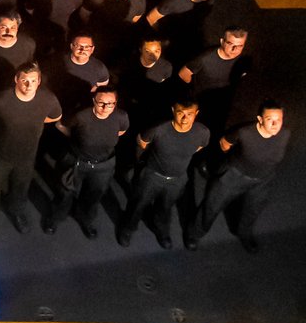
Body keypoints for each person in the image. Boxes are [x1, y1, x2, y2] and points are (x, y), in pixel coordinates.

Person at [0, 61, 61, 232]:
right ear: (16, 79)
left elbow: (55, 116)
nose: (28, 85)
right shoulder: (1, 99)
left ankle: (16, 211)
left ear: (39, 81)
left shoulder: (48, 99)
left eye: (33, 81)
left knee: (20, 188)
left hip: (26, 156)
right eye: (25, 80)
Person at [185, 101, 289, 252]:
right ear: (260, 119)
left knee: (252, 210)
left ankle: (244, 233)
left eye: (278, 120)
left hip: (262, 180)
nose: (275, 124)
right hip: (234, 176)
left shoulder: (285, 134)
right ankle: (194, 234)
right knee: (212, 205)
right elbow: (224, 144)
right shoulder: (244, 132)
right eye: (269, 119)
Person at [118, 100, 208, 249]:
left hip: (177, 179)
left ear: (196, 114)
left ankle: (162, 231)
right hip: (152, 176)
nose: (185, 119)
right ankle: (127, 230)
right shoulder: (158, 129)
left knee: (166, 208)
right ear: (173, 110)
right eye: (180, 113)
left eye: (190, 114)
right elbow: (142, 143)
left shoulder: (202, 132)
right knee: (137, 205)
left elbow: (199, 147)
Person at [44, 86, 129, 238]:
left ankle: (85, 219)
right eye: (101, 103)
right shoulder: (81, 116)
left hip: (102, 165)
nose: (105, 107)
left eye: (110, 104)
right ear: (94, 101)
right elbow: (60, 125)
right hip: (76, 161)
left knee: (93, 196)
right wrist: (76, 139)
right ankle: (55, 218)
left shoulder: (121, 117)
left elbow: (121, 131)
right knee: (65, 193)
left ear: (115, 104)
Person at [178, 27, 252, 138]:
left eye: (240, 46)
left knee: (214, 131)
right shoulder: (204, 58)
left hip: (222, 103)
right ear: (222, 41)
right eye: (230, 43)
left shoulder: (242, 60)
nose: (234, 49)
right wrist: (194, 90)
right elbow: (183, 74)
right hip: (201, 102)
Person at [146, 0, 218, 65]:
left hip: (188, 38)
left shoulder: (208, 0)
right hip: (170, 41)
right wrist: (160, 39)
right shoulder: (174, 2)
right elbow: (151, 18)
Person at [81, 0, 146, 67]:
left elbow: (136, 19)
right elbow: (84, 13)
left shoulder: (139, 0)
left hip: (121, 41)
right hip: (99, 39)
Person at [41, 31, 110, 116]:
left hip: (77, 110)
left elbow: (101, 89)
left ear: (92, 49)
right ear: (71, 46)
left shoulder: (100, 68)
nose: (82, 50)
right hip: (54, 105)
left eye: (87, 47)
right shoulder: (57, 61)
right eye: (79, 46)